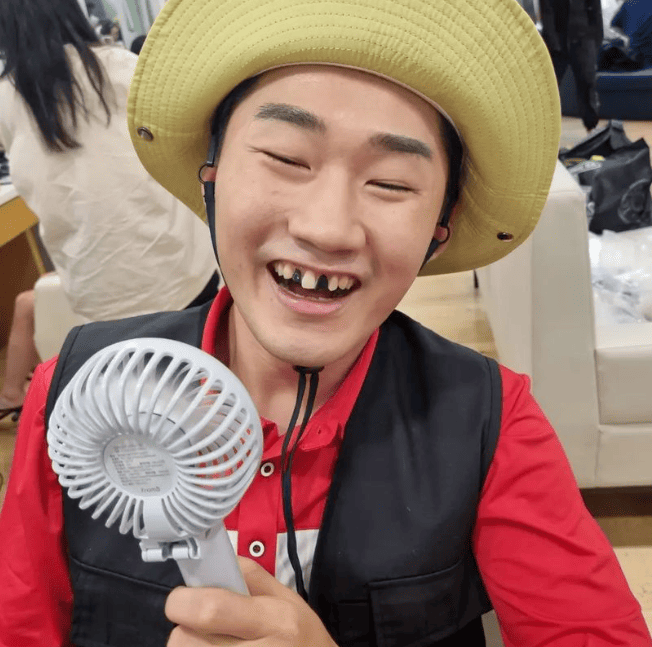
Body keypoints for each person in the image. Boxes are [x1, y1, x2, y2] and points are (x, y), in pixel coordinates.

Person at [1, 0, 651, 646]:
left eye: (392, 183)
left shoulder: (489, 425)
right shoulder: (71, 399)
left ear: (439, 231)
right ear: (212, 178)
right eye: (285, 157)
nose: (327, 228)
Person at [0, 0, 219, 421]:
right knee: (202, 384)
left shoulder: (9, 98)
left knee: (147, 401)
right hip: (180, 274)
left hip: (98, 295)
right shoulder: (119, 67)